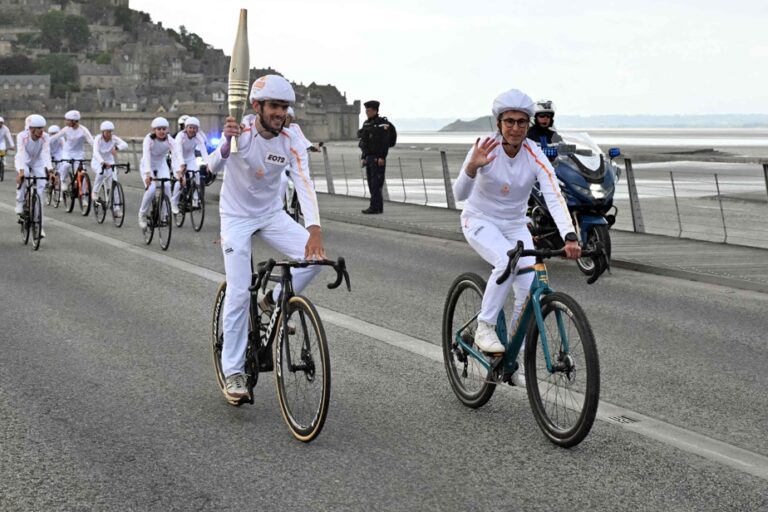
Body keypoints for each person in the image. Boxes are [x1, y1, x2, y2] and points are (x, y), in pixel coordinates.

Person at [208, 74, 325, 404]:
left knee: (315, 259)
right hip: (236, 218)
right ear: (256, 106)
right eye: (274, 106)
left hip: (272, 215)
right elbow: (212, 167)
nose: (280, 113)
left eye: (285, 107)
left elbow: (303, 180)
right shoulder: (241, 132)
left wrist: (314, 228)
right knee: (239, 291)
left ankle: (272, 299)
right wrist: (224, 145)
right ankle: (233, 372)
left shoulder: (292, 135)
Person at [452, 89, 581, 385]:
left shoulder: (533, 152)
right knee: (505, 260)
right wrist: (472, 166)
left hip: (514, 224)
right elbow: (459, 194)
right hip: (479, 219)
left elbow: (553, 192)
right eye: (509, 121)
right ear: (499, 123)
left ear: (528, 124)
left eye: (522, 122)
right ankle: (485, 326)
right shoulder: (485, 148)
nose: (515, 128)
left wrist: (570, 235)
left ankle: (512, 361)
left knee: (528, 286)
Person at [138, 117, 180, 229]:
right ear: (154, 130)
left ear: (167, 130)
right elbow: (146, 156)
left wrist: (179, 172)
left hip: (161, 164)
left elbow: (177, 155)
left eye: (164, 129)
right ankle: (142, 214)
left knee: (166, 186)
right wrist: (147, 174)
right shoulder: (148, 139)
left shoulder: (170, 140)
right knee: (151, 189)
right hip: (147, 165)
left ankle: (165, 215)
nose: (161, 131)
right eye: (159, 129)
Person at [14, 114, 52, 237]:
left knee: (40, 195)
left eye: (43, 128)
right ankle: (20, 202)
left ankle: (39, 227)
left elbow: (46, 153)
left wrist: (50, 171)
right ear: (31, 129)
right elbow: (20, 153)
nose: (42, 130)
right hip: (23, 160)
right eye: (38, 128)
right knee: (24, 175)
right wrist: (20, 172)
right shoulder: (22, 136)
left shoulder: (45, 137)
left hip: (38, 161)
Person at [357, 100, 396, 214]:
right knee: (371, 183)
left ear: (375, 110)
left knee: (376, 183)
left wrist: (382, 157)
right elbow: (364, 142)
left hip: (377, 158)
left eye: (368, 111)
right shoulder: (366, 124)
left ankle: (375, 207)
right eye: (366, 111)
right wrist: (363, 157)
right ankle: (377, 207)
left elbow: (384, 143)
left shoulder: (382, 124)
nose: (367, 113)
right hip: (368, 157)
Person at [49, 110, 94, 200]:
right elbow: (55, 137)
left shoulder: (83, 130)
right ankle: (63, 181)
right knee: (65, 165)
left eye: (67, 120)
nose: (66, 122)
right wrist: (44, 142)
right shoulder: (66, 129)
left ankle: (84, 197)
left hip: (79, 153)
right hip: (67, 152)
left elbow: (91, 142)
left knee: (83, 174)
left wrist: (96, 152)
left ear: (73, 121)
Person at [171, 116, 210, 215]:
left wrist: (208, 164)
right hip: (178, 159)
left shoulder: (198, 137)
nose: (192, 130)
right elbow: (178, 151)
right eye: (190, 127)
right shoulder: (180, 136)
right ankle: (174, 202)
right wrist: (181, 164)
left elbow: (203, 150)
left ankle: (195, 199)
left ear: (197, 129)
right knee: (181, 181)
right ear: (186, 127)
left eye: (194, 128)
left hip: (190, 158)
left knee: (196, 175)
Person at [91, 121, 128, 211]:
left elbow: (125, 145)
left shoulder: (114, 138)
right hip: (98, 161)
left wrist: (117, 147)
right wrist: (102, 162)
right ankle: (95, 192)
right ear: (103, 132)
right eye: (107, 132)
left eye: (111, 132)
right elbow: (95, 152)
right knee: (101, 173)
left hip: (110, 162)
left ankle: (117, 208)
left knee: (114, 183)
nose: (109, 134)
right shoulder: (98, 139)